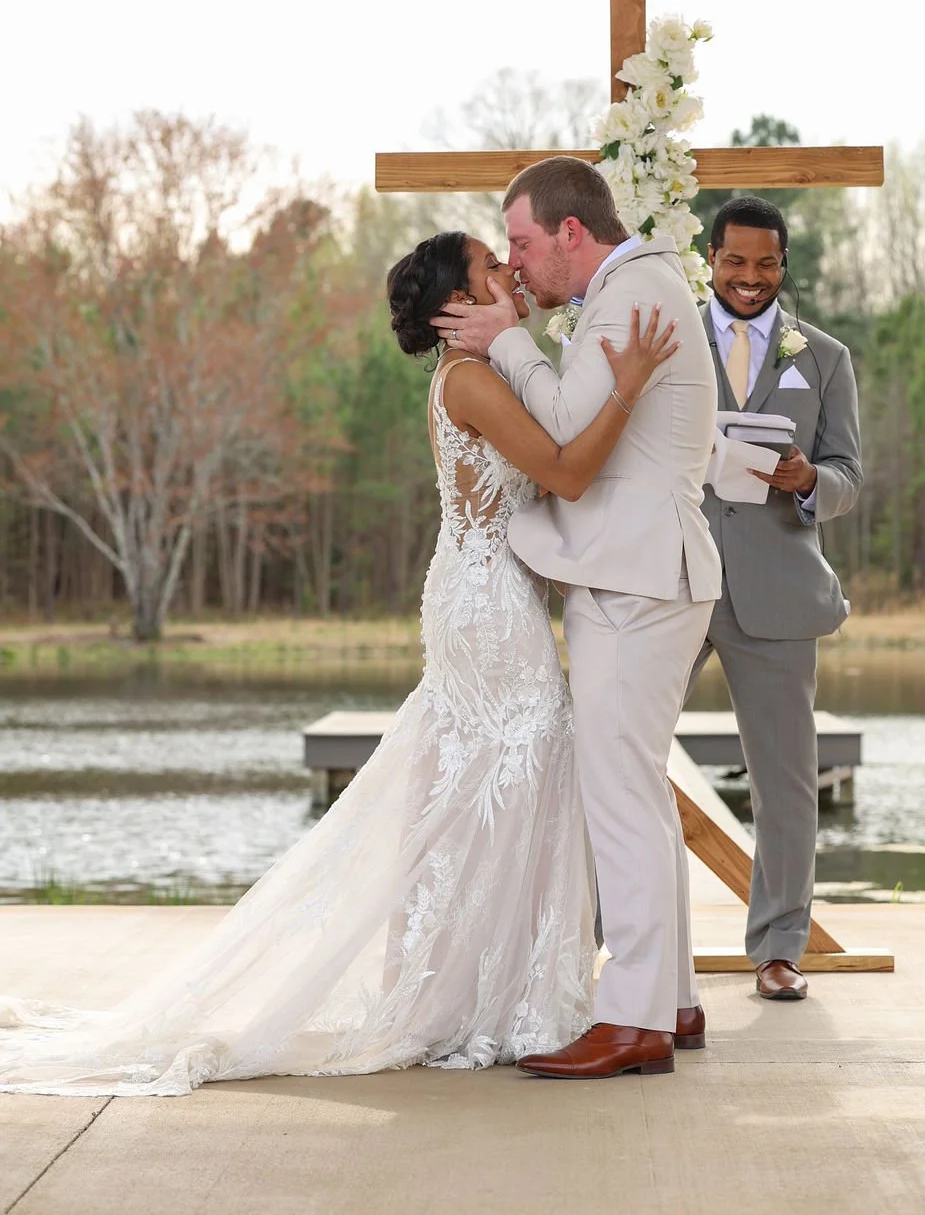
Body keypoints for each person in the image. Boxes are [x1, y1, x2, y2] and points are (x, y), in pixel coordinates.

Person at [0, 230, 678, 1095]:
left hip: (487, 592)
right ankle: (476, 1000)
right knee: (515, 775)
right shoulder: (469, 378)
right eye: (488, 266)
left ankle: (478, 992)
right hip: (488, 605)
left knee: (487, 786)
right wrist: (627, 389)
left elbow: (541, 481)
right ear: (458, 306)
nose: (508, 269)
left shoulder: (493, 371)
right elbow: (566, 475)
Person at [431, 156, 721, 1080]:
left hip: (637, 581)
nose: (514, 267)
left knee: (620, 797)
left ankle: (633, 1016)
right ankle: (669, 996)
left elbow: (560, 424)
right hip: (641, 572)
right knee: (637, 792)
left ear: (568, 233)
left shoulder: (631, 294)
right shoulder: (634, 287)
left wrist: (510, 336)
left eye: (519, 242)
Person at [691, 195, 863, 1000]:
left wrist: (807, 483)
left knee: (786, 781)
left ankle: (778, 948)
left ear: (782, 265)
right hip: (672, 578)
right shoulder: (666, 341)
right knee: (610, 754)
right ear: (711, 259)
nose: (750, 278)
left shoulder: (823, 356)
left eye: (765, 264)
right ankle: (597, 936)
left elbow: (847, 476)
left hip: (780, 592)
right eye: (735, 261)